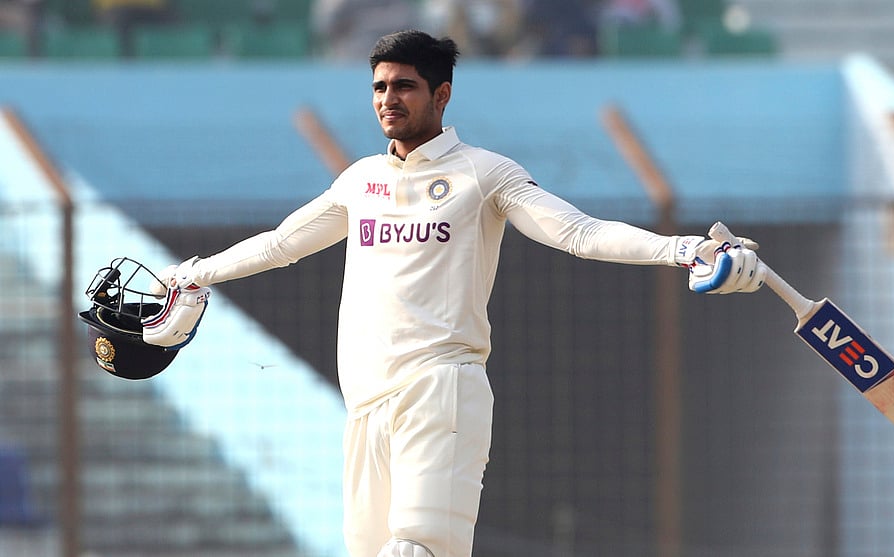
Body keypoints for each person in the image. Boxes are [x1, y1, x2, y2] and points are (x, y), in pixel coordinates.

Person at [154, 29, 764, 557]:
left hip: (440, 387)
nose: (388, 99)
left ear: (441, 94)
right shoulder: (360, 180)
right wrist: (193, 274)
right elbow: (280, 244)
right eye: (379, 87)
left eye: (404, 86)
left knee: (412, 551)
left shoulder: (484, 172)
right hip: (364, 405)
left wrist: (686, 249)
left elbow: (578, 233)